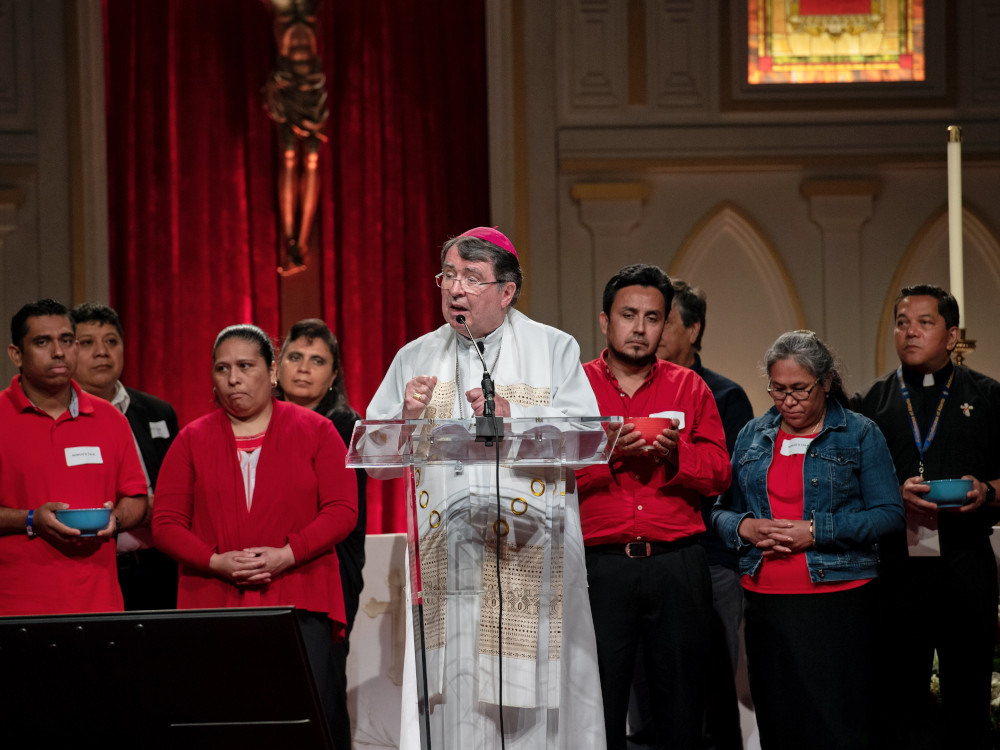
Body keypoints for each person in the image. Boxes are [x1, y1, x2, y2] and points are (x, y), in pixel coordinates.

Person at [366, 226, 607, 749]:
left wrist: (515, 418)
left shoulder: (553, 348)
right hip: (454, 567)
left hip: (534, 556)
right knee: (460, 710)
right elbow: (376, 461)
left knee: (539, 718)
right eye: (449, 275)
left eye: (472, 279)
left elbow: (588, 440)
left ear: (506, 291)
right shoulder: (415, 357)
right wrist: (406, 418)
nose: (455, 289)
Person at [153, 324, 357, 744]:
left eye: (245, 366)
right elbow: (166, 524)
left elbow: (342, 511)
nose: (233, 378)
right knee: (227, 724)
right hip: (213, 604)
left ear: (272, 371)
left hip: (301, 599)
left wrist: (287, 554)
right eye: (222, 368)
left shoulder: (317, 432)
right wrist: (215, 561)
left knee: (300, 726)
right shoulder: (191, 440)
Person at [713, 330, 904, 750]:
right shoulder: (752, 435)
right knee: (782, 724)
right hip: (767, 602)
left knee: (839, 726)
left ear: (826, 382)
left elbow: (890, 516)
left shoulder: (859, 433)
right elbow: (719, 511)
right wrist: (745, 527)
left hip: (839, 599)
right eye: (778, 390)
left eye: (799, 389)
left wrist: (816, 531)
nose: (788, 401)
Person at [576, 264, 731, 750]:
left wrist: (676, 454)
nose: (640, 327)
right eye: (628, 315)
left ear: (666, 325)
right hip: (599, 568)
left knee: (682, 710)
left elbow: (720, 471)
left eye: (652, 317)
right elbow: (548, 474)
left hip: (677, 564)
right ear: (605, 321)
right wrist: (608, 451)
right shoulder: (572, 387)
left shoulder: (690, 387)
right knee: (598, 709)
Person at [852, 285, 1000, 749]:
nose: (909, 331)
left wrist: (989, 490)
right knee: (898, 702)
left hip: (966, 561)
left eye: (924, 322)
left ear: (952, 334)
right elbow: (848, 488)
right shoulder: (870, 405)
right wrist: (892, 496)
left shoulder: (990, 396)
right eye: (901, 322)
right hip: (896, 567)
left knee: (968, 699)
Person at [0, 299, 148, 615]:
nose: (58, 352)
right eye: (43, 342)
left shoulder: (111, 419)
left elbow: (136, 497)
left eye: (67, 341)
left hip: (101, 605)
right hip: (15, 607)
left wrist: (116, 519)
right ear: (16, 355)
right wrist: (30, 520)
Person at [655, 279, 753, 749]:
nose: (652, 330)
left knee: (713, 682)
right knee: (651, 686)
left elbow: (730, 478)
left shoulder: (725, 396)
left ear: (693, 330)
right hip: (649, 557)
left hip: (711, 558)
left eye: (664, 319)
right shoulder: (633, 390)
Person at [276, 318, 366, 750]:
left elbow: (343, 515)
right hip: (271, 564)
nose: (304, 369)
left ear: (333, 375)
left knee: (323, 684)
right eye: (295, 357)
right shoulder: (257, 423)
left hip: (331, 566)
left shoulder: (347, 427)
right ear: (276, 366)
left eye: (317, 361)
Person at [70, 302, 179, 610]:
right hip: (96, 567)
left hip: (161, 568)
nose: (102, 351)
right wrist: (141, 508)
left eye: (111, 341)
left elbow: (181, 489)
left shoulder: (159, 412)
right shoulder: (62, 416)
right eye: (87, 342)